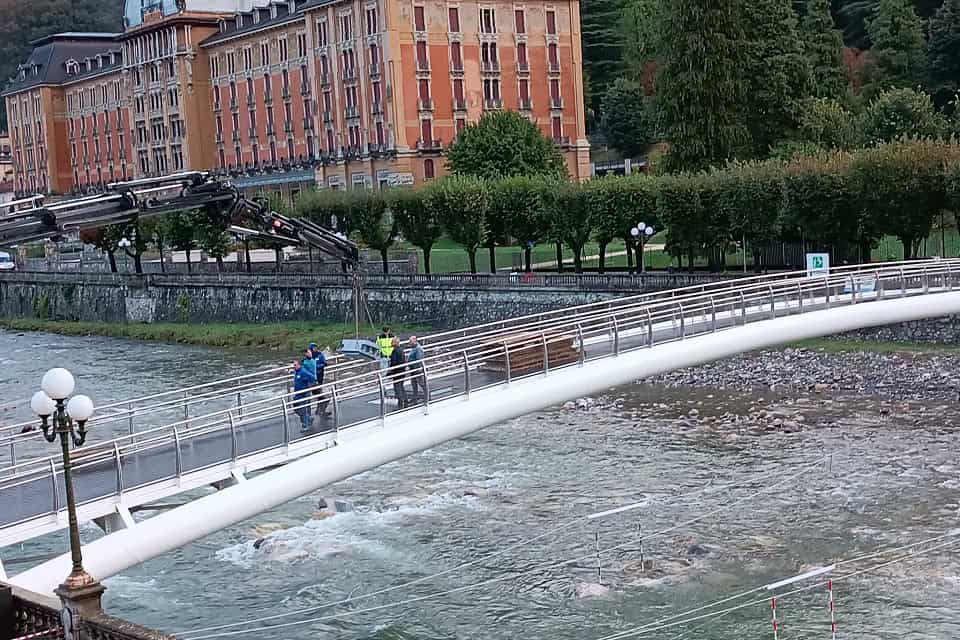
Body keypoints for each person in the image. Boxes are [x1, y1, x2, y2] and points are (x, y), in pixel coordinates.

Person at [292, 360, 314, 432]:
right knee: (296, 408)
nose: (293, 366)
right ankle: (309, 418)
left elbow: (312, 377)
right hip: (297, 394)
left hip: (303, 394)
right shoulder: (297, 372)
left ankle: (305, 425)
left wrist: (308, 387)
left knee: (302, 410)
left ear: (299, 365)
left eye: (295, 365)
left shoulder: (303, 372)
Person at [309, 342, 329, 415]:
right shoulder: (309, 357)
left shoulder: (320, 354)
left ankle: (319, 410)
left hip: (320, 376)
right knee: (318, 394)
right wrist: (318, 366)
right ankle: (320, 410)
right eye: (313, 347)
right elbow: (311, 366)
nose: (315, 349)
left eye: (316, 347)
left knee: (319, 393)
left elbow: (324, 363)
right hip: (313, 379)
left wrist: (320, 365)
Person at [388, 337, 407, 409]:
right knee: (401, 386)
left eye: (392, 342)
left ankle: (400, 402)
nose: (391, 343)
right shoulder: (401, 350)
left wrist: (390, 372)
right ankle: (405, 400)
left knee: (397, 387)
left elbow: (394, 363)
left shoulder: (395, 351)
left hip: (397, 372)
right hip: (402, 371)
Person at [406, 336, 425, 404]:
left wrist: (419, 368)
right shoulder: (414, 348)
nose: (409, 343)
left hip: (416, 369)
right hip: (413, 369)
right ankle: (415, 398)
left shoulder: (418, 349)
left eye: (410, 341)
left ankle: (427, 396)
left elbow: (419, 360)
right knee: (414, 384)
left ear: (415, 341)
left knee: (421, 383)